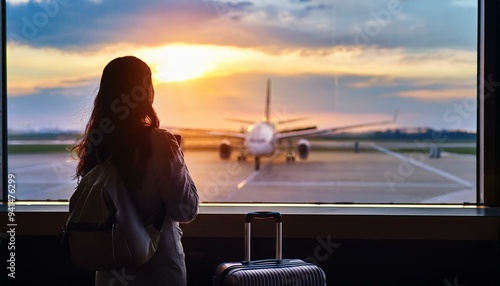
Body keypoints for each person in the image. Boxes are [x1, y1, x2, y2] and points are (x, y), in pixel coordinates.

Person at [72, 56, 199, 286]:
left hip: (109, 273)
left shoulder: (97, 145)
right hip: (159, 271)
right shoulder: (160, 142)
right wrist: (178, 161)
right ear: (146, 92)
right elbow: (186, 210)